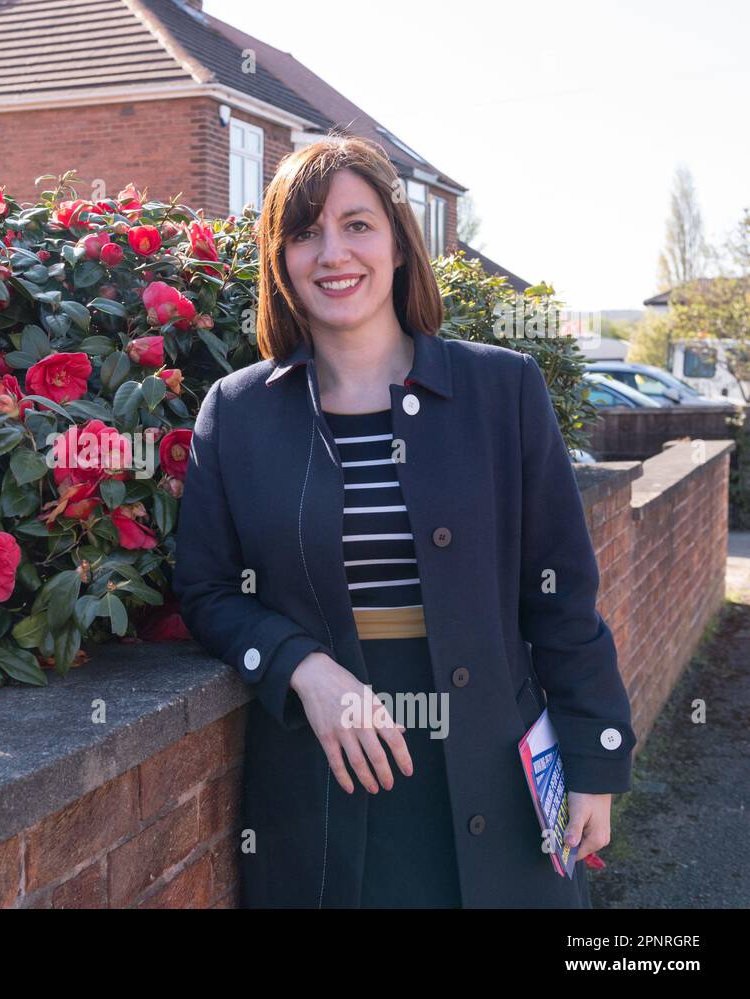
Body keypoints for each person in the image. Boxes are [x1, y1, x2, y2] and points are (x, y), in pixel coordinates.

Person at [171, 135, 636, 908]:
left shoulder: (503, 390)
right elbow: (208, 589)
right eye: (305, 231)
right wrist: (302, 668)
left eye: (357, 224)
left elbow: (561, 596)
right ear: (279, 258)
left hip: (499, 765)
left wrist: (593, 762)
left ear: (397, 242)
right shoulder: (240, 412)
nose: (332, 252)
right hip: (327, 776)